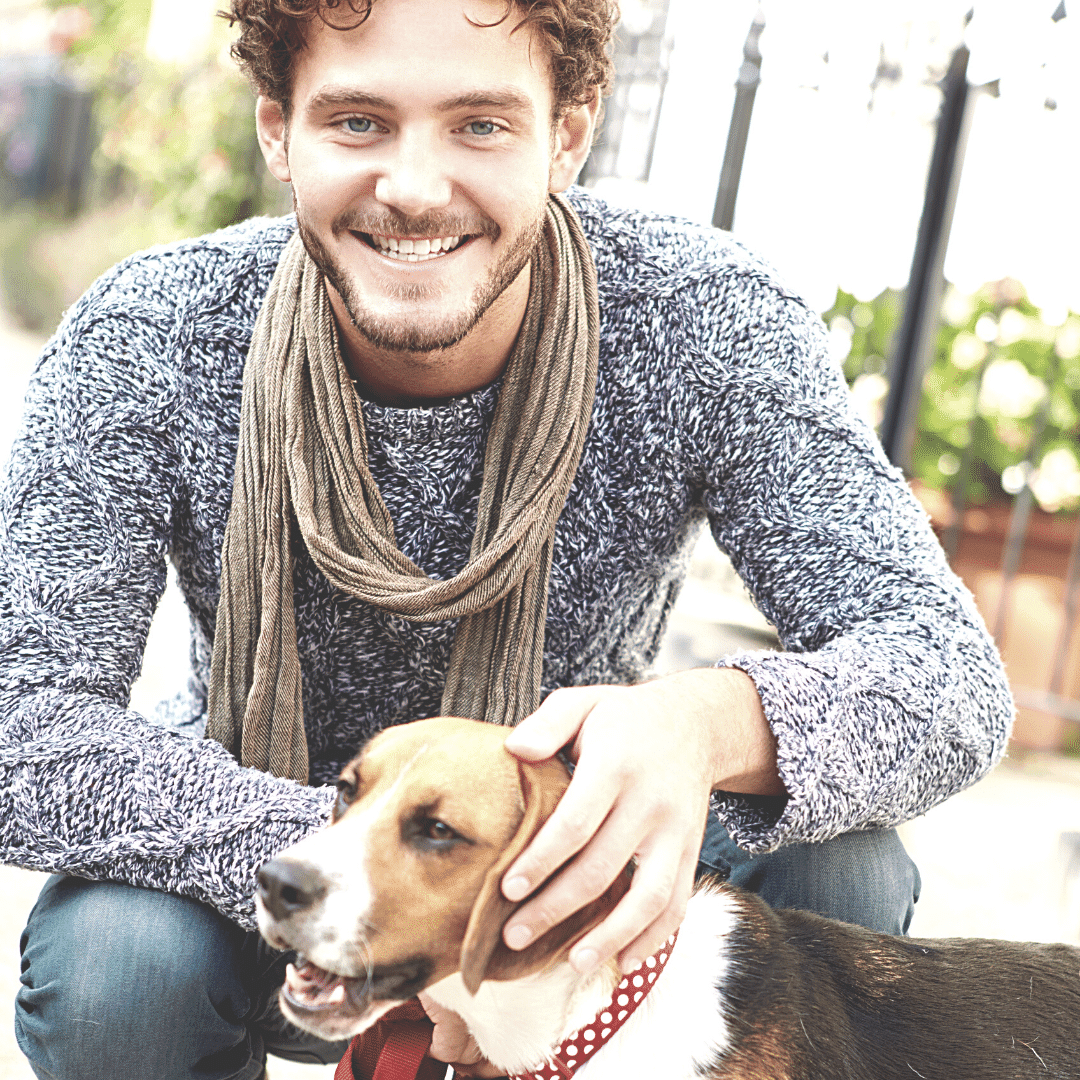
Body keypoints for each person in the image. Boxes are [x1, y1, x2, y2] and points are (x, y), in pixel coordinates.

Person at [1, 0, 1012, 1077]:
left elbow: (946, 672)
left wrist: (697, 726)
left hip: (587, 863)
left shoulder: (697, 318)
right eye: (356, 123)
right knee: (117, 968)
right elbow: (20, 723)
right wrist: (406, 877)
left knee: (838, 868)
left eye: (481, 125)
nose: (416, 186)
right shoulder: (153, 336)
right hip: (274, 849)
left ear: (566, 137)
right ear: (276, 131)